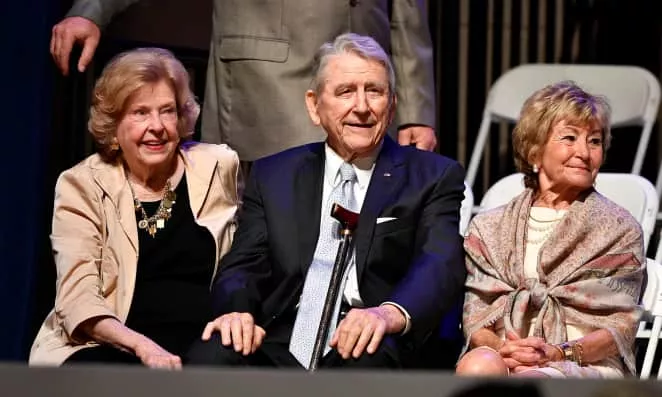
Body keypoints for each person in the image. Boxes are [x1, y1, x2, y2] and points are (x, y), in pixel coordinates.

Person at [184, 33, 466, 369]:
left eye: (374, 91)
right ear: (314, 105)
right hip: (280, 338)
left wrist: (387, 314)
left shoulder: (433, 176)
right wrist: (237, 312)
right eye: (345, 91)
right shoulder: (274, 174)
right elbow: (245, 263)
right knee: (213, 352)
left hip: (370, 338)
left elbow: (439, 262)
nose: (361, 107)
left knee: (368, 361)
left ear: (392, 105)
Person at [29, 48, 241, 368]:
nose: (156, 126)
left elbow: (243, 263)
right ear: (114, 125)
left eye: (167, 111)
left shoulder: (217, 166)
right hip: (111, 344)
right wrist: (143, 348)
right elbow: (77, 300)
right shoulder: (82, 185)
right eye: (140, 113)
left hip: (203, 345)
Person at [49, 0, 438, 162]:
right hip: (272, 81)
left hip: (367, 87)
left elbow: (407, 9)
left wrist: (415, 110)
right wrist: (91, 11)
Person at [455, 81, 645, 378]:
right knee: (477, 366)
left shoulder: (619, 229)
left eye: (594, 141)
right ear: (534, 152)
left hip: (584, 363)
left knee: (532, 380)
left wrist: (558, 353)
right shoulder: (489, 228)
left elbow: (621, 326)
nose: (584, 152)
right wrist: (505, 349)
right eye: (569, 138)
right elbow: (475, 317)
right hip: (507, 354)